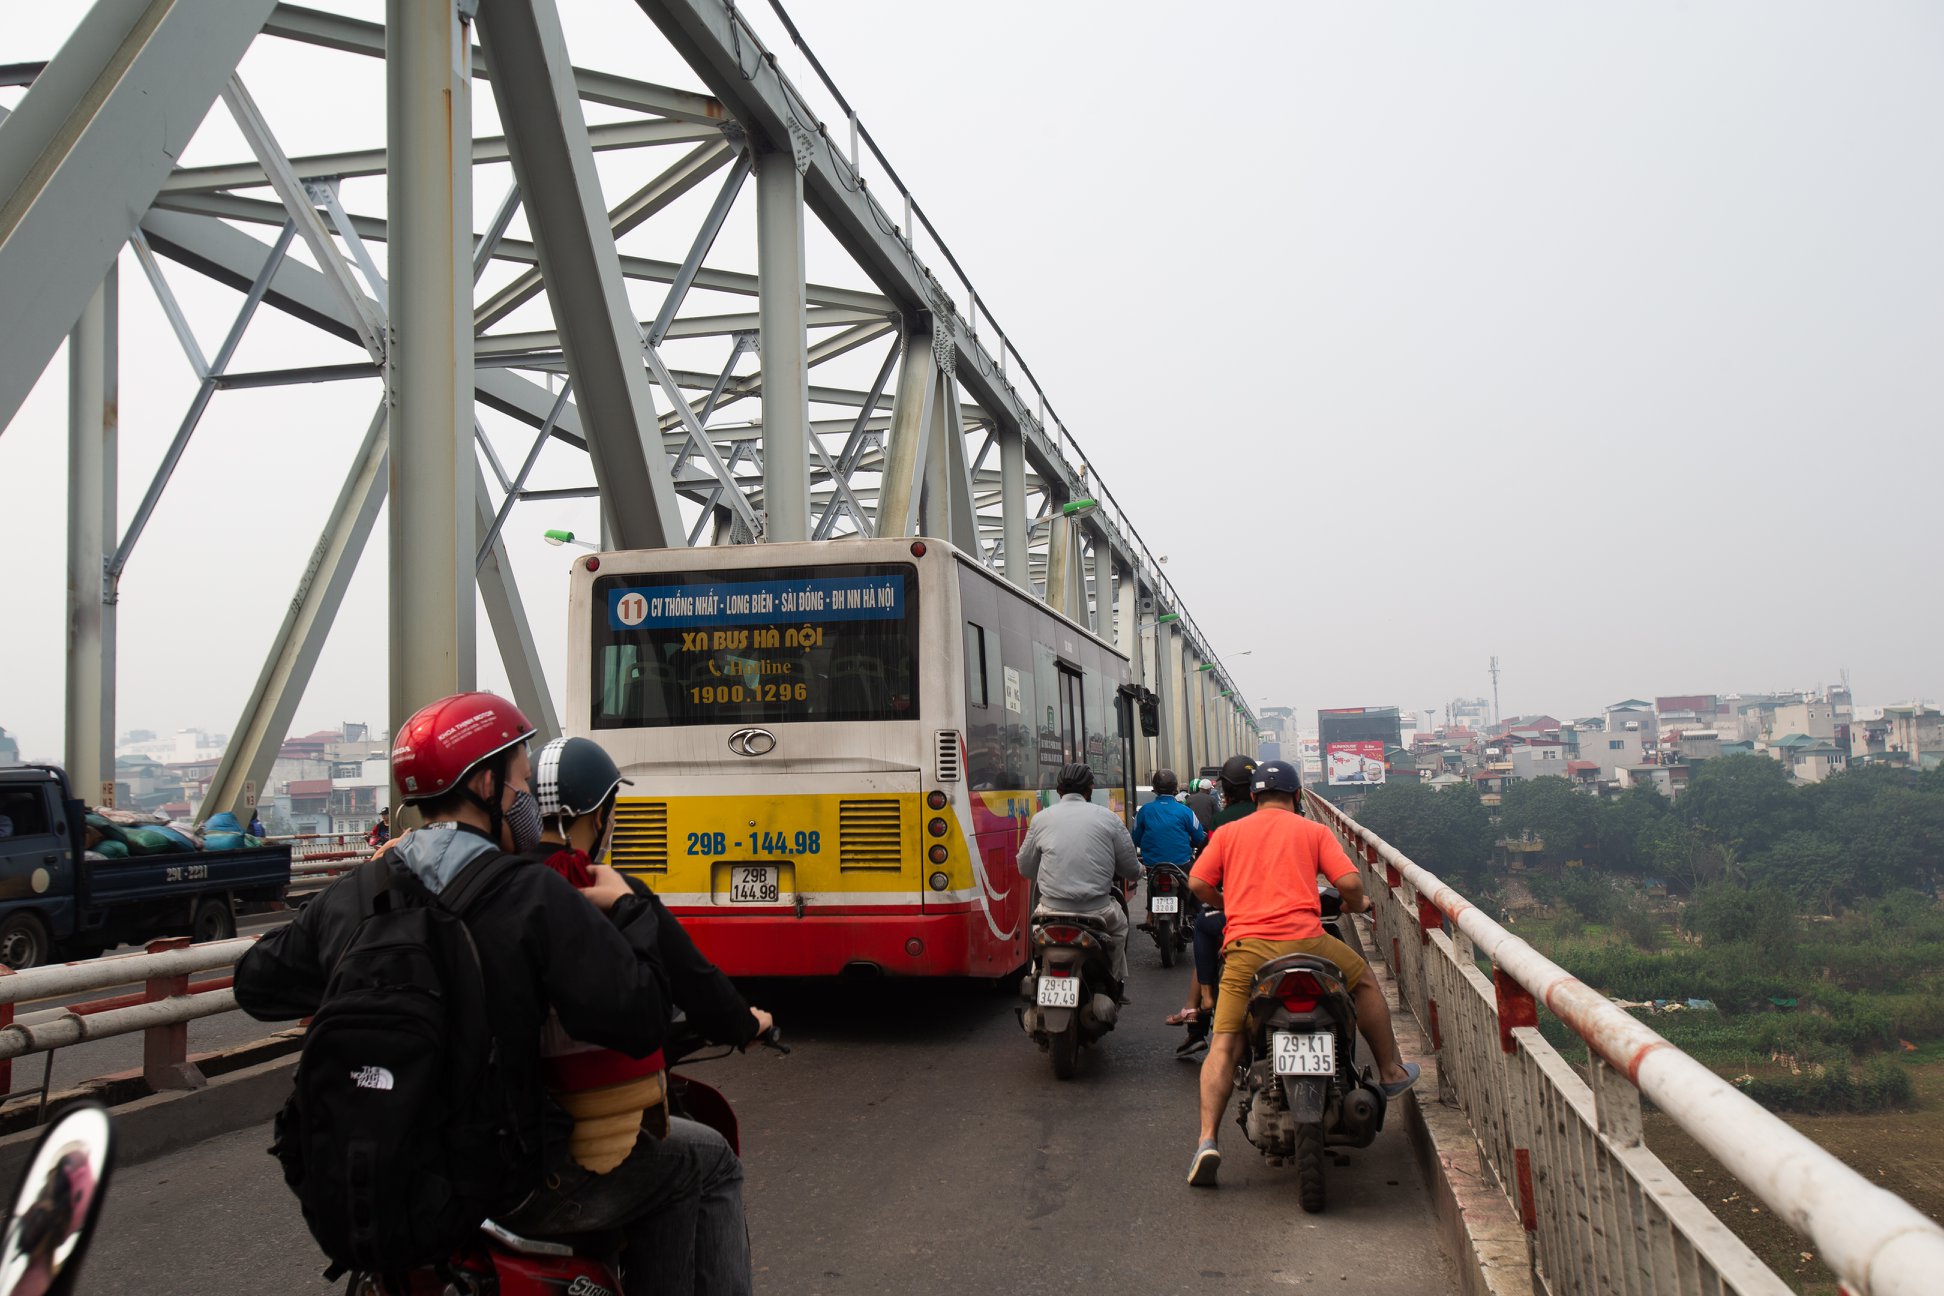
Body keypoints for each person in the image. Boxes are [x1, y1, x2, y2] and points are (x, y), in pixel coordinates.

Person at [235, 693, 688, 1292]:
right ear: (483, 782)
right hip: (507, 1183)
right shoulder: (531, 893)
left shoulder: (357, 893)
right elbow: (641, 1016)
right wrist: (629, 908)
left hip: (375, 1184)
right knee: (700, 1167)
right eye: (520, 784)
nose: (527, 803)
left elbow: (256, 985)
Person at [507, 735, 767, 1294]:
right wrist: (749, 1024)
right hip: (562, 1151)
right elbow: (696, 984)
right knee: (708, 1162)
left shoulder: (496, 886)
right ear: (599, 815)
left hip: (500, 1143)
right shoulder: (612, 893)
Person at [1184, 759, 1419, 1187]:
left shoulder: (1230, 833)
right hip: (1308, 943)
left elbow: (1197, 883)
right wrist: (1356, 905)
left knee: (1224, 1043)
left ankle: (1207, 1141)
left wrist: (1228, 902)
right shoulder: (1313, 831)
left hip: (1247, 953)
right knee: (1364, 981)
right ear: (1297, 798)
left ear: (1253, 798)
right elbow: (1348, 882)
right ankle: (1388, 1072)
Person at [1016, 762, 1141, 987]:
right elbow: (1130, 869)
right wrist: (1139, 870)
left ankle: (1036, 977)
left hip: (1049, 912)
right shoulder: (1109, 818)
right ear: (1090, 789)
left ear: (1058, 790)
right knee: (1120, 928)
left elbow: (1025, 868)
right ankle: (1113, 985)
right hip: (1097, 911)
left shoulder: (1040, 819)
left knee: (1036, 941)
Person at [1174, 755, 1260, 1052]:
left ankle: (1201, 1011)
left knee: (1204, 927)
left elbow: (1203, 875)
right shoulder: (1297, 823)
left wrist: (1223, 899)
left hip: (1235, 911)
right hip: (1291, 923)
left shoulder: (1223, 821)